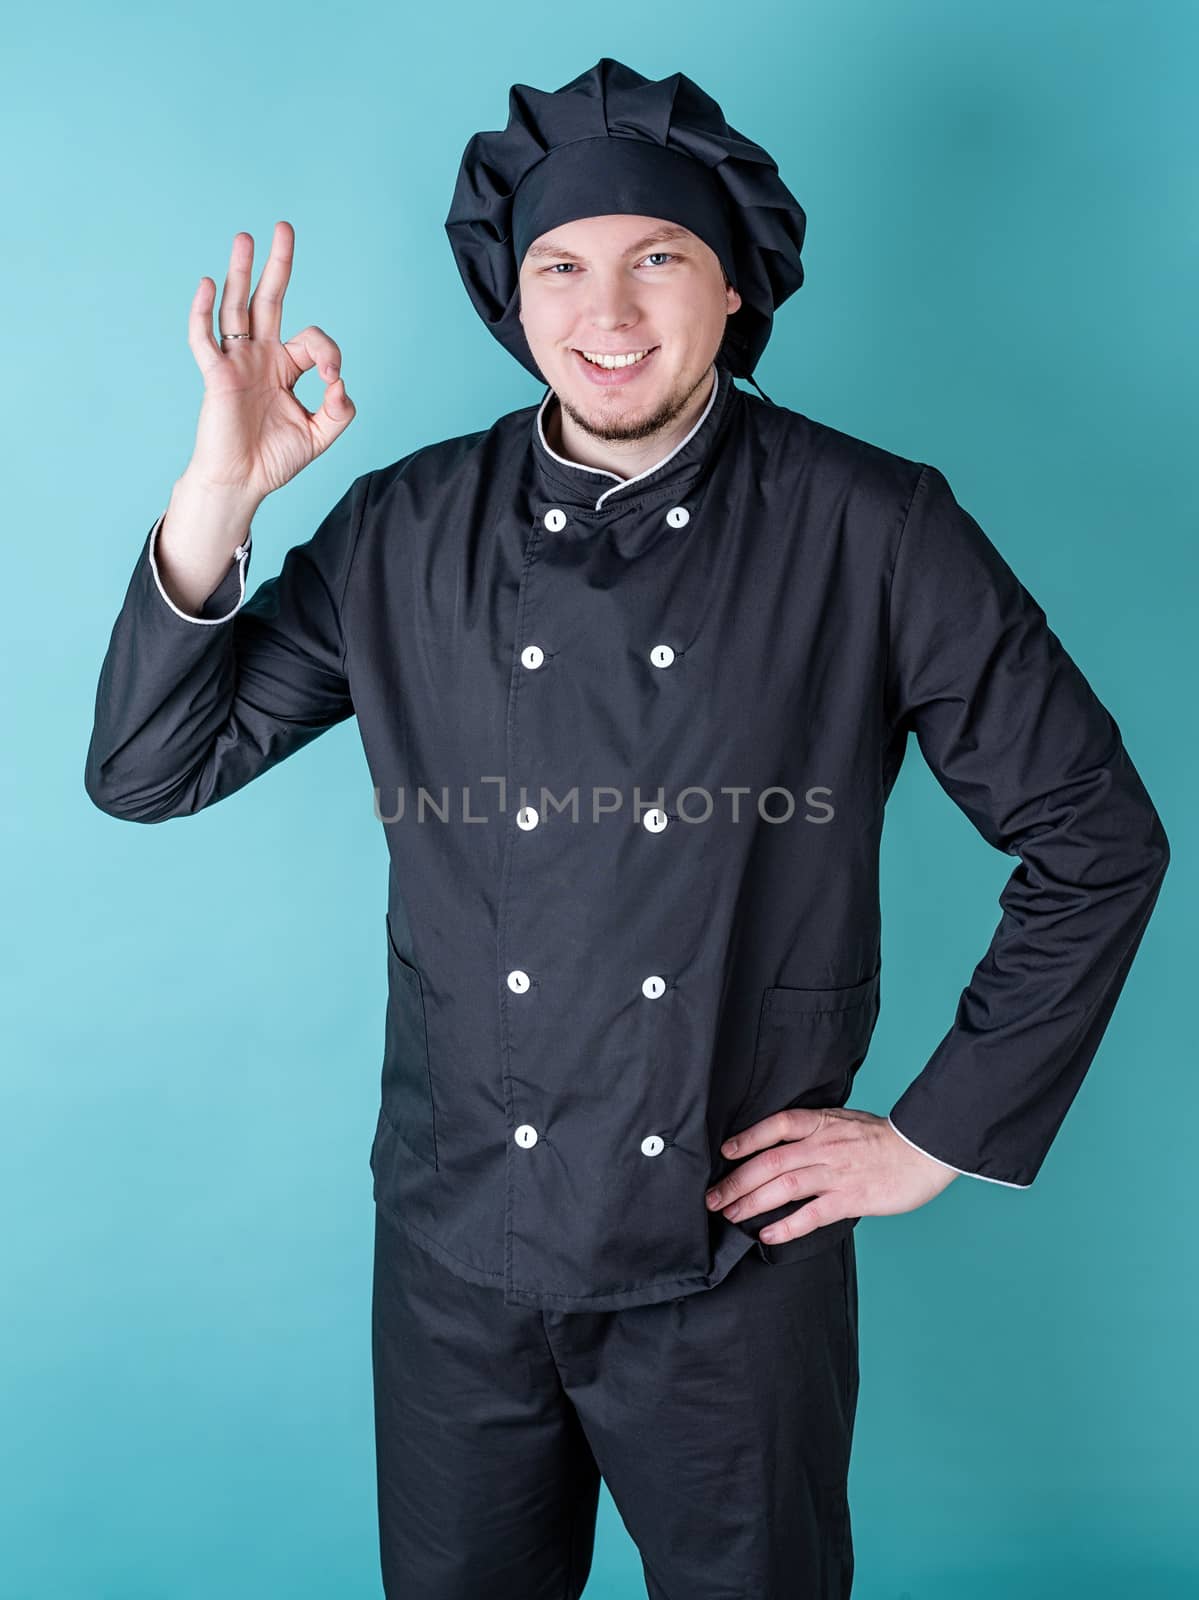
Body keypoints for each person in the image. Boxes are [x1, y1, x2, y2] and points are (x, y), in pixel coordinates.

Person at [85, 56, 1169, 1600]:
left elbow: (1095, 833)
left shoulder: (873, 524)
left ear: (735, 289)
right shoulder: (405, 527)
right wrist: (220, 486)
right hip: (459, 1251)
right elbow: (148, 764)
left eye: (658, 257)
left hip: (731, 1267)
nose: (608, 312)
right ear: (512, 300)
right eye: (563, 265)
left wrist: (934, 1137)